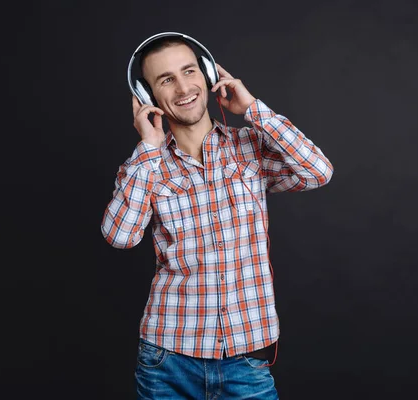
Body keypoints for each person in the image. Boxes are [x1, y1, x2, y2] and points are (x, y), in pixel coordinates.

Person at [101, 33, 334, 399]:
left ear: (207, 75)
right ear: (148, 97)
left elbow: (318, 171)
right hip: (167, 360)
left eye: (189, 71)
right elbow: (120, 235)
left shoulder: (250, 147)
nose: (182, 87)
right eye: (166, 80)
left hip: (245, 362)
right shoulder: (144, 166)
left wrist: (254, 109)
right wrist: (148, 147)